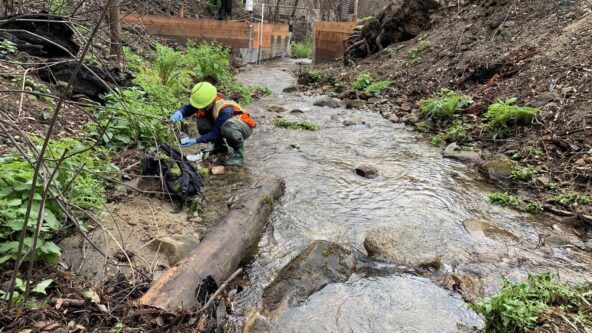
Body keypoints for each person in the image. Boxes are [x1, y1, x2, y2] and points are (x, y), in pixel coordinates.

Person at [170, 82, 256, 167]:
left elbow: (216, 133)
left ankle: (239, 156)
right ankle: (220, 147)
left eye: (202, 106)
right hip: (226, 124)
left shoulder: (226, 109)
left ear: (210, 101)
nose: (200, 108)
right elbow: (191, 108)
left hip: (244, 126)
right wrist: (181, 112)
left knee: (228, 127)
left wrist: (196, 140)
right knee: (202, 122)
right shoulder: (206, 101)